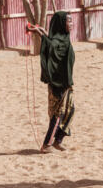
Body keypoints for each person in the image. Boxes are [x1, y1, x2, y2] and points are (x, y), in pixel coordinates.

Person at [27, 11, 76, 153]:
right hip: (59, 84)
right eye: (68, 21)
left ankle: (57, 141)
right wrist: (39, 33)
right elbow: (52, 46)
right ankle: (46, 144)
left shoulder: (63, 38)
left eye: (71, 21)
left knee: (70, 111)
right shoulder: (57, 42)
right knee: (58, 113)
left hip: (67, 83)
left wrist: (43, 31)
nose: (71, 24)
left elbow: (53, 41)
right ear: (62, 23)